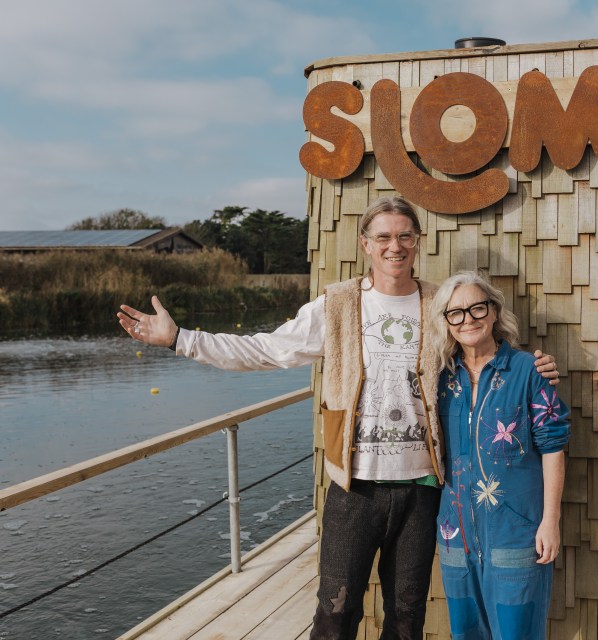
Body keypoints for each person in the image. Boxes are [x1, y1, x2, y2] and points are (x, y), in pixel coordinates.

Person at [116, 196, 558, 640]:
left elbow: (479, 345)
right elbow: (265, 349)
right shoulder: (338, 305)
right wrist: (180, 339)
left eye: (405, 235)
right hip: (355, 489)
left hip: (422, 489)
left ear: (418, 242)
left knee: (406, 619)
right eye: (383, 237)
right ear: (366, 243)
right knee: (335, 614)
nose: (395, 246)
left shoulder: (437, 304)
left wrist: (533, 366)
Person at [429, 271, 569, 640]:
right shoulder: (440, 378)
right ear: (446, 323)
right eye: (455, 312)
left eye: (477, 308)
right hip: (455, 532)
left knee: (516, 632)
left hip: (517, 530)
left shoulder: (529, 371)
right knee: (467, 632)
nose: (468, 319)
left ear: (493, 312)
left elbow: (553, 447)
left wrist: (550, 520)